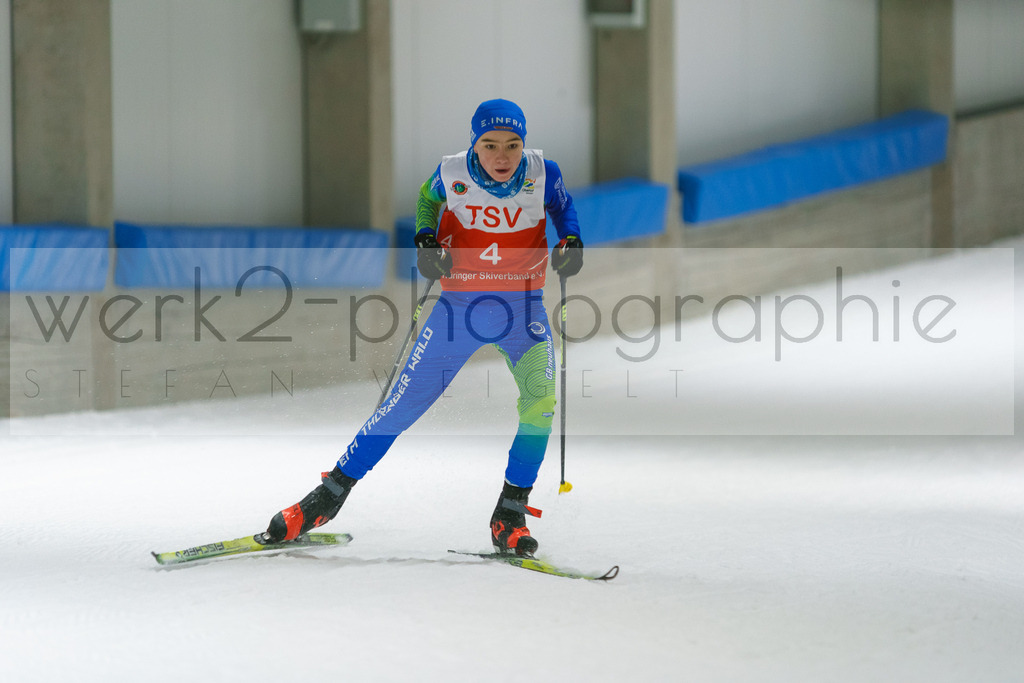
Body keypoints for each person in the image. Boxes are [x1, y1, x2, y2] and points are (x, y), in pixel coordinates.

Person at [261, 99, 583, 557]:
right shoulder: (451, 174)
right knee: (398, 409)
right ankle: (324, 499)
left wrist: (571, 239)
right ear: (475, 143)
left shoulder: (543, 172)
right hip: (459, 312)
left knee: (541, 403)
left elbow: (563, 209)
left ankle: (509, 512)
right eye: (490, 145)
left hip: (522, 312)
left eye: (513, 145)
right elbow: (426, 201)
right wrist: (425, 238)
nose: (502, 156)